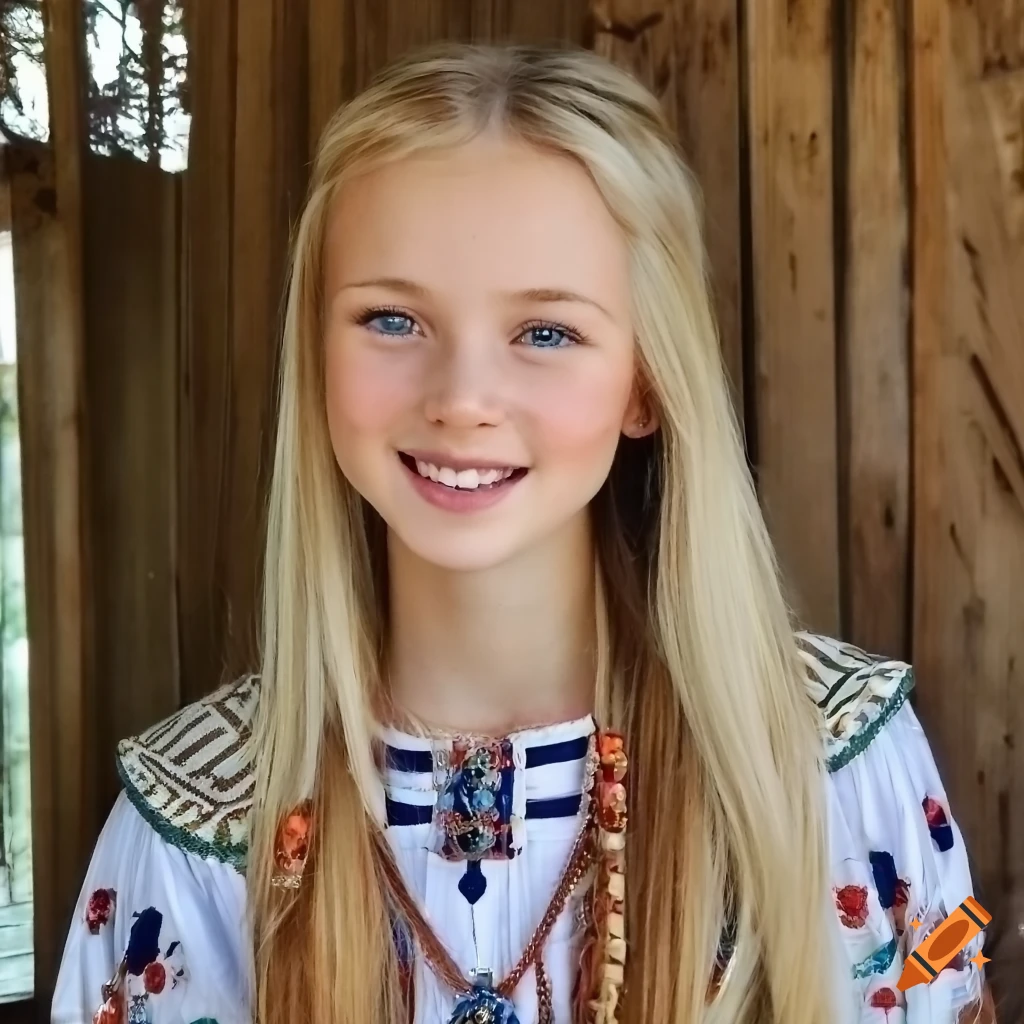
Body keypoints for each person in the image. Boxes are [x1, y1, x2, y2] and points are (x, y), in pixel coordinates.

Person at [52, 42, 994, 1024]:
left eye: (545, 332)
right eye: (390, 319)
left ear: (644, 382)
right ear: (315, 359)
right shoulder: (189, 831)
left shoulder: (829, 769)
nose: (461, 399)